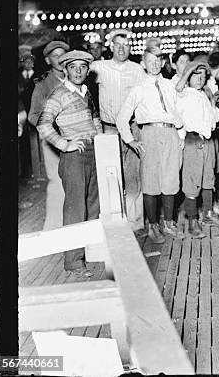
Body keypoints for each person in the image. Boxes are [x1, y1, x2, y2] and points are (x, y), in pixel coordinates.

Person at [36, 50, 102, 278]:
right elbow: (43, 125)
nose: (78, 71)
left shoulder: (87, 92)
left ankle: (91, 252)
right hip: (74, 158)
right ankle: (73, 262)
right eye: (73, 67)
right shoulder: (59, 94)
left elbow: (95, 120)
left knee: (94, 206)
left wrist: (101, 141)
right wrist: (65, 144)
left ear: (87, 69)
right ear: (65, 70)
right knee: (76, 209)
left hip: (94, 153)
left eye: (82, 67)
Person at [116, 47, 184, 243]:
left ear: (163, 62)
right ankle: (153, 225)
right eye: (150, 60)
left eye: (158, 60)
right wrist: (131, 140)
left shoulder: (171, 85)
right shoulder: (138, 88)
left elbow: (178, 110)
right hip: (149, 134)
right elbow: (122, 118)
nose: (154, 64)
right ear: (143, 64)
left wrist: (180, 135)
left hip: (171, 133)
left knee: (171, 180)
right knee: (151, 182)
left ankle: (169, 222)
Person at [90, 29, 146, 232]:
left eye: (126, 45)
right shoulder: (99, 67)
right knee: (111, 175)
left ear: (131, 47)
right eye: (117, 45)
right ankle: (115, 222)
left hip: (132, 128)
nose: (122, 48)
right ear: (111, 47)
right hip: (109, 129)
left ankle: (135, 221)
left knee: (133, 175)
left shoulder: (138, 69)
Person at [176, 60, 219, 236]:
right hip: (192, 140)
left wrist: (212, 101)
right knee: (191, 182)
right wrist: (192, 67)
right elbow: (180, 85)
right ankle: (192, 221)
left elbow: (214, 120)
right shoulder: (183, 93)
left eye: (203, 76)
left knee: (208, 180)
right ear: (189, 76)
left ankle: (207, 214)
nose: (200, 79)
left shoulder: (204, 95)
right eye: (196, 75)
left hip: (208, 141)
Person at [29, 41, 69, 230]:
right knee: (56, 181)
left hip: (73, 137)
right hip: (53, 140)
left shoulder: (74, 78)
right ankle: (52, 227)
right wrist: (50, 130)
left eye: (63, 54)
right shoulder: (43, 84)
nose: (60, 59)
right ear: (47, 60)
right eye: (55, 56)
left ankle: (71, 224)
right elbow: (33, 115)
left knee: (73, 180)